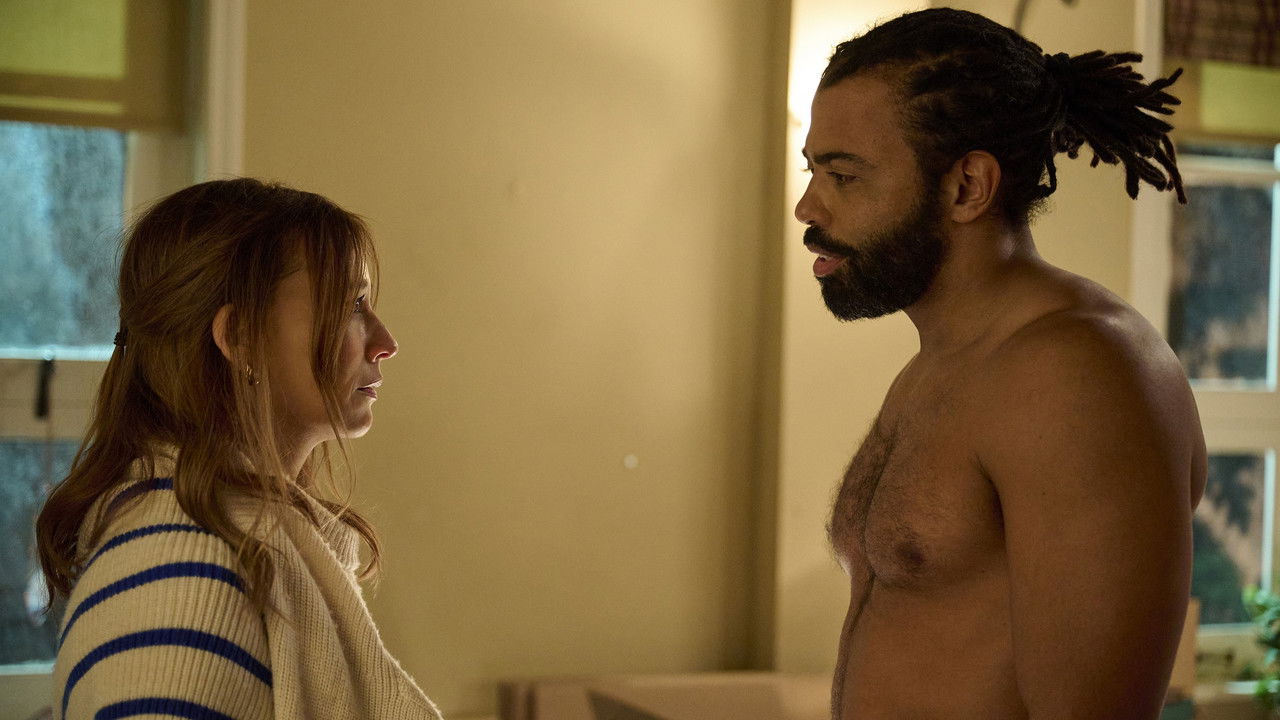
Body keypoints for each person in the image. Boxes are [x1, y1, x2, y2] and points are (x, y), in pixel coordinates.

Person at [797, 9, 1206, 719]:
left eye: (843, 175)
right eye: (813, 171)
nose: (808, 207)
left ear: (967, 187)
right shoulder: (939, 367)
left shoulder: (1078, 374)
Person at [35, 178, 441, 719]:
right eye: (351, 305)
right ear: (242, 336)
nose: (385, 343)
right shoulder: (184, 576)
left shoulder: (222, 548)